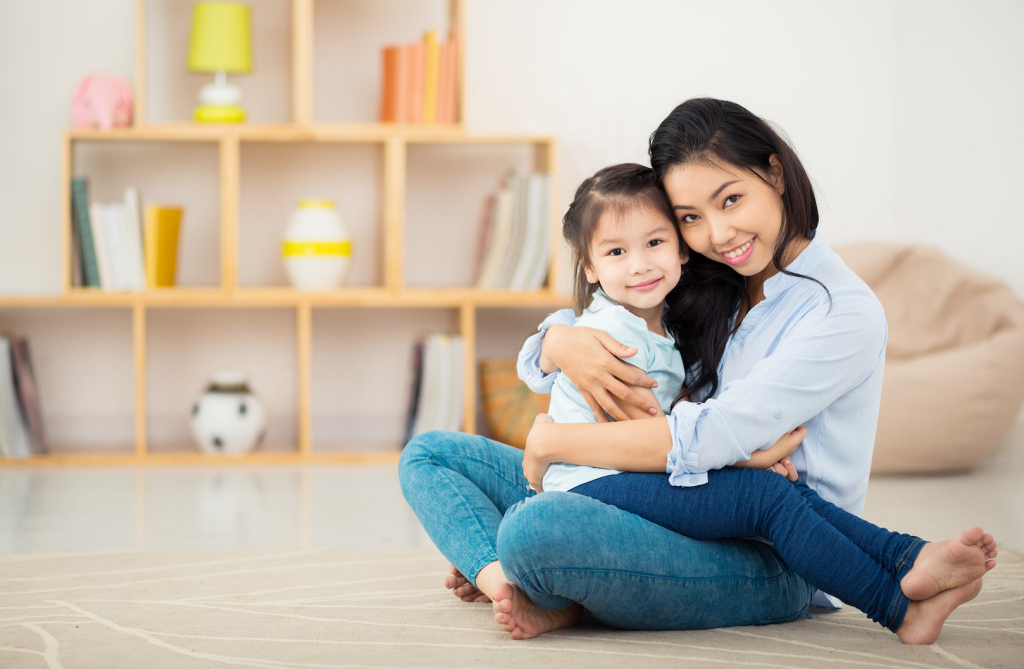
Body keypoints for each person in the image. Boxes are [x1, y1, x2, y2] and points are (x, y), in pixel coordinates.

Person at [396, 97, 988, 644]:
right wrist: (559, 341)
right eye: (691, 218)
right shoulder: (708, 284)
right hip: (655, 496)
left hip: (765, 553)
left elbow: (710, 438)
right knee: (432, 455)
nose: (719, 234)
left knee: (535, 529)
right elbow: (609, 309)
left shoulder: (842, 312)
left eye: (731, 200)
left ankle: (539, 569)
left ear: (775, 175)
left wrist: (554, 440)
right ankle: (508, 580)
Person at [528, 161, 998, 644]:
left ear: (679, 248)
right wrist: (556, 342)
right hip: (598, 480)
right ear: (589, 265)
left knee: (780, 495)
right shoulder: (616, 335)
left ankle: (907, 556)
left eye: (655, 242)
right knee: (766, 495)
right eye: (616, 252)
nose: (640, 263)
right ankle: (896, 606)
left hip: (625, 470)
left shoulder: (667, 315)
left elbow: (670, 432)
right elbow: (655, 431)